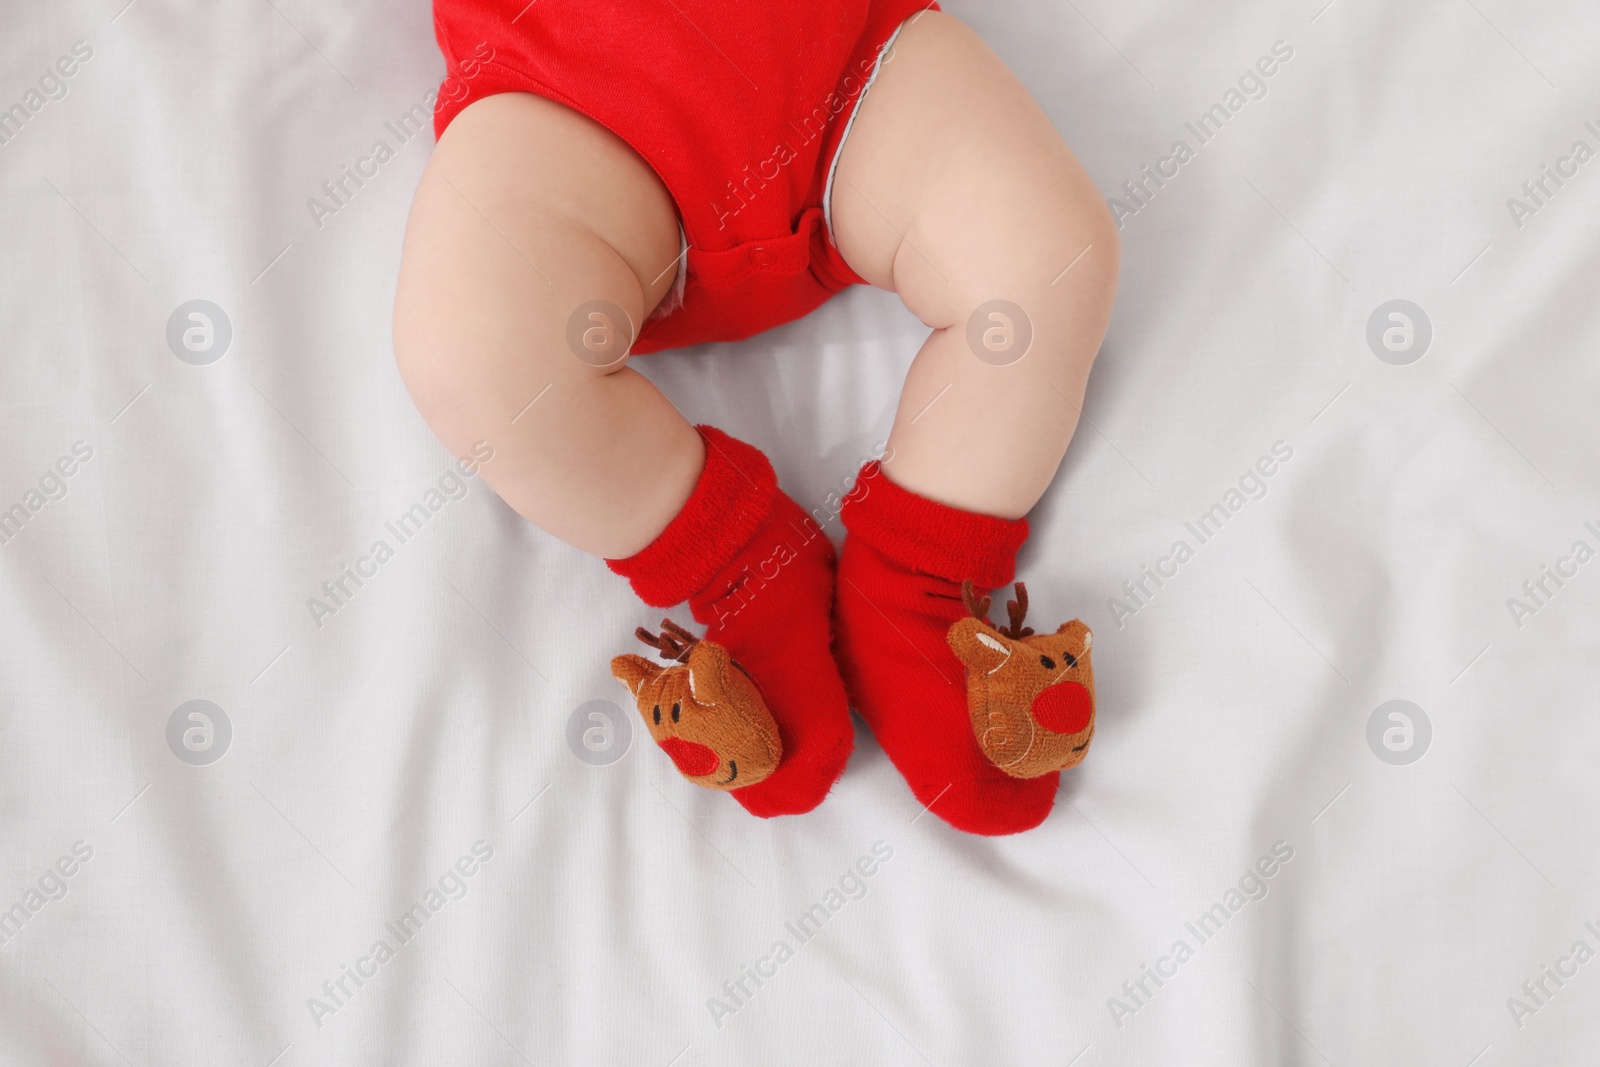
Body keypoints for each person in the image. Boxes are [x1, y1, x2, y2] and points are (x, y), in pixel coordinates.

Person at [393, 1, 1118, 834]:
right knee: (475, 354)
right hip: (568, 90)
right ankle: (739, 565)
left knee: (1048, 259)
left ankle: (920, 579)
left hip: (846, 59)